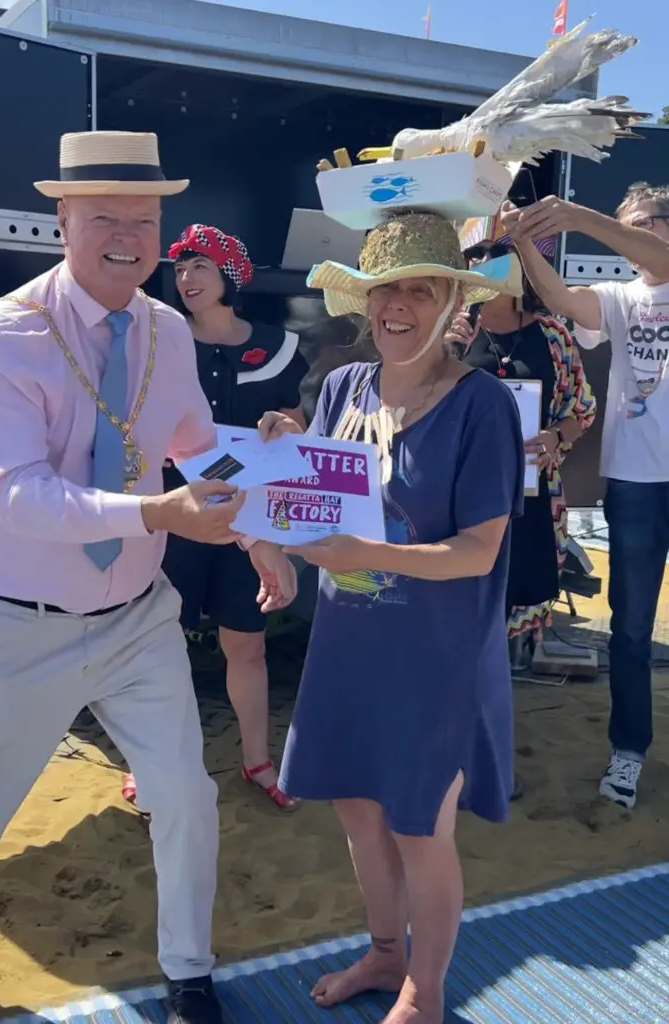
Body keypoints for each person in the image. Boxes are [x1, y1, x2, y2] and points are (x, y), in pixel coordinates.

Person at [0, 131, 295, 1024]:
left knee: (186, 792)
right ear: (62, 217)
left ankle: (189, 974)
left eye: (143, 219)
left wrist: (258, 530)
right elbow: (18, 499)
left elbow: (193, 447)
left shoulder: (164, 332)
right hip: (22, 626)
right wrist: (157, 515)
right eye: (103, 214)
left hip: (139, 616)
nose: (126, 235)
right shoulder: (5, 335)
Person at [259, 210, 525, 1024]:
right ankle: (384, 953)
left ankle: (428, 989)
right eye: (386, 290)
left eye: (421, 289)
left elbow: (479, 552)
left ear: (454, 303)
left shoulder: (484, 407)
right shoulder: (343, 386)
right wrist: (286, 444)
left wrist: (365, 557)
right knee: (356, 809)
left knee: (419, 827)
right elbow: (330, 491)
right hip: (349, 647)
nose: (398, 306)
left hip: (439, 659)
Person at [123, 224, 308, 812]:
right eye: (179, 269)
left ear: (230, 275)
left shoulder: (280, 345)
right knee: (154, 649)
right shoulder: (160, 343)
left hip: (247, 524)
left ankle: (258, 761)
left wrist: (289, 428)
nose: (185, 279)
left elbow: (295, 423)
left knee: (246, 647)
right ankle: (147, 767)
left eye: (199, 266)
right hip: (176, 519)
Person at [501, 185, 669, 810]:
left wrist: (579, 217)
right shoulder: (621, 299)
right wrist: (522, 238)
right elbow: (557, 296)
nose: (629, 238)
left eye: (643, 224)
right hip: (635, 484)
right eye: (626, 227)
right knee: (629, 630)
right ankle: (628, 752)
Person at [447, 218, 596, 653]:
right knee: (457, 599)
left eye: (496, 260)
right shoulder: (449, 333)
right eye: (475, 260)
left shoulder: (552, 337)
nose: (485, 269)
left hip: (531, 495)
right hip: (459, 492)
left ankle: (492, 693)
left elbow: (582, 410)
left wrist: (553, 437)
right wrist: (445, 352)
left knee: (512, 599)